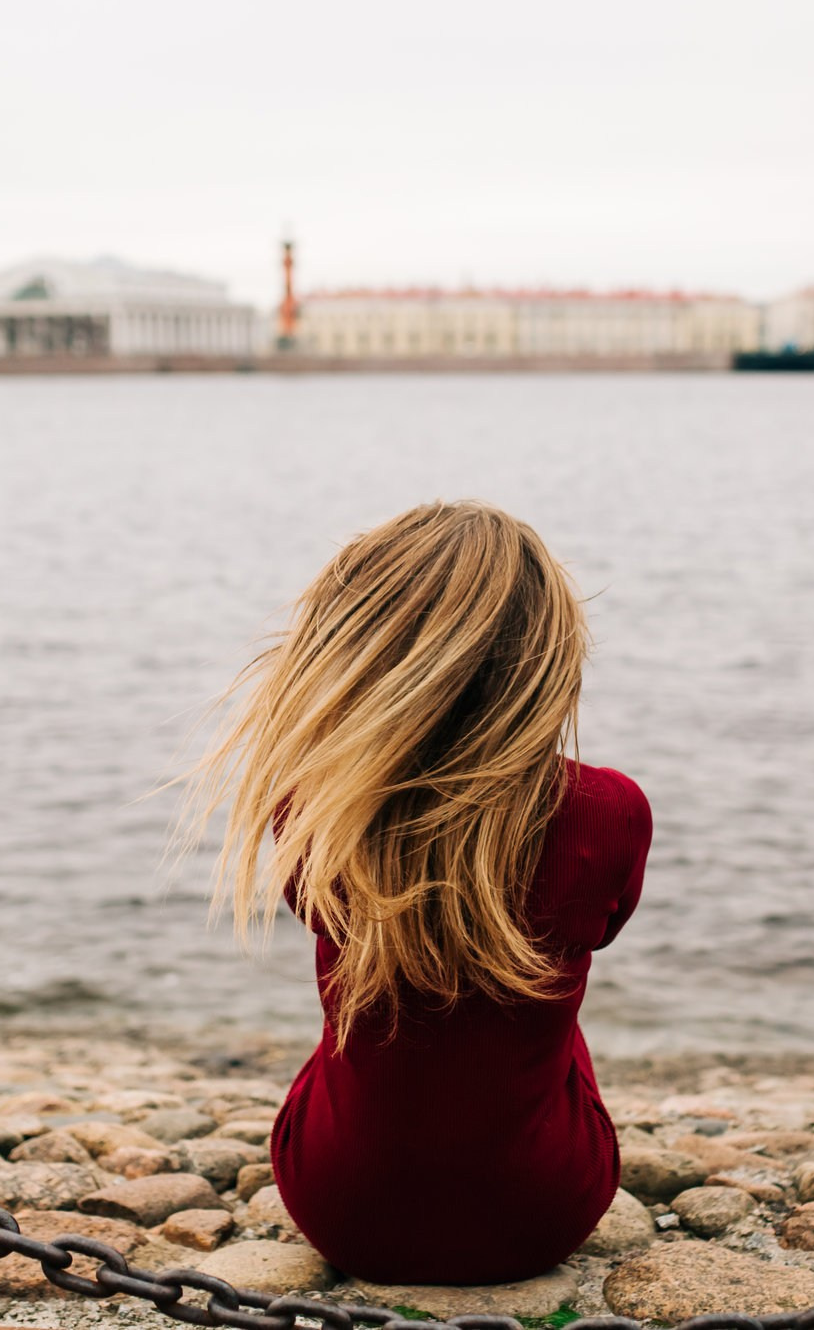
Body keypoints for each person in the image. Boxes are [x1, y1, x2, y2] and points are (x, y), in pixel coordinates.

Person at [169, 499, 652, 1285]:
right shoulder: (609, 810)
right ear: (544, 662)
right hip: (543, 1207)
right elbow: (604, 924)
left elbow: (315, 905)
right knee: (540, 986)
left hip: (338, 1201)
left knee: (363, 1005)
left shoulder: (312, 808)